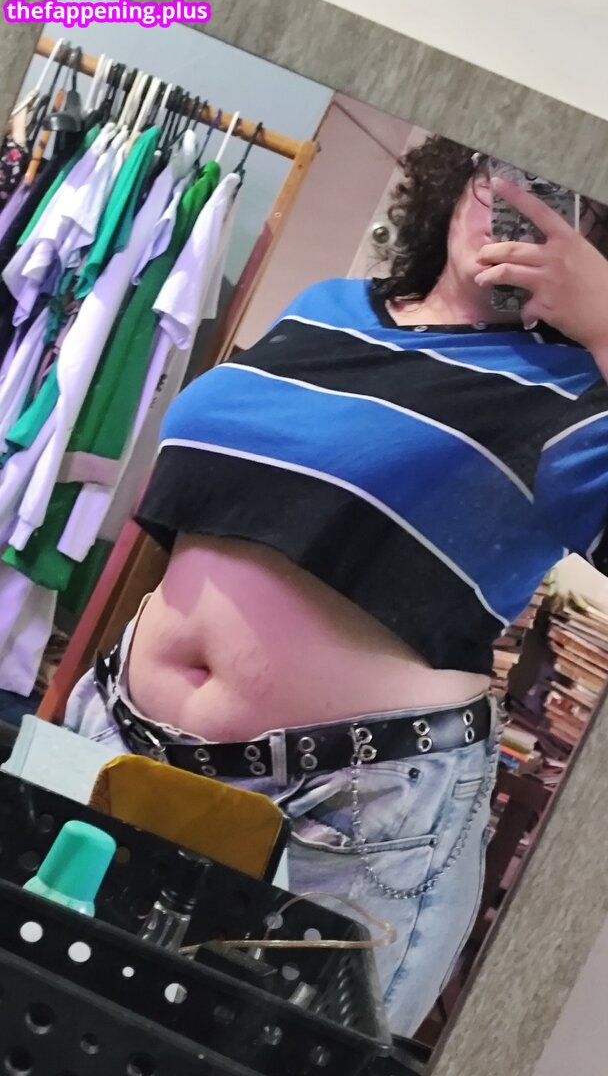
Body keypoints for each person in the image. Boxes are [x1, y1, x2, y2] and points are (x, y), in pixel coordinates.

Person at [65, 136, 608, 1035]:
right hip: (120, 738)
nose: (522, 206)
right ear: (459, 179)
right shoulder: (327, 309)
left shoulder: (576, 397)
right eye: (508, 172)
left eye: (567, 196)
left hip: (353, 812)